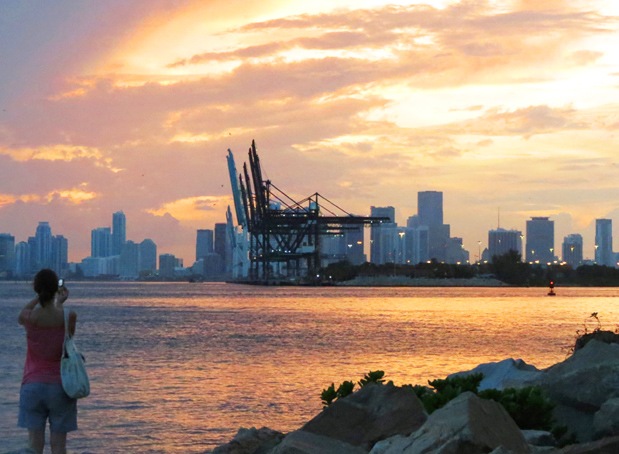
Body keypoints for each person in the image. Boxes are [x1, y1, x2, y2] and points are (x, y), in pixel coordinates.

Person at [17, 269, 78, 454]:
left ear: (37, 288)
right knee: (59, 445)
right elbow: (69, 336)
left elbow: (22, 314)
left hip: (32, 385)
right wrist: (59, 303)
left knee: (34, 443)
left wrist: (38, 297)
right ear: (56, 289)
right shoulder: (68, 316)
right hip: (61, 386)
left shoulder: (30, 317)